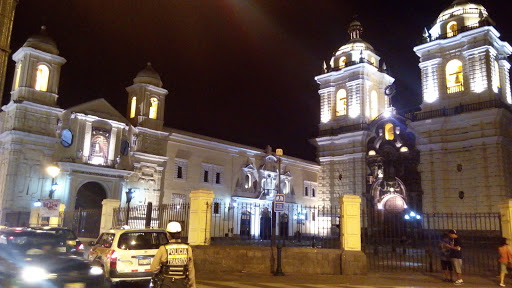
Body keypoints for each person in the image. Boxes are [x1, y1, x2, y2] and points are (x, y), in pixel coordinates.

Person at [151, 222, 195, 288]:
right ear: (180, 233)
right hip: (182, 283)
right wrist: (192, 285)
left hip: (167, 283)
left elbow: (154, 268)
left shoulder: (163, 248)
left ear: (168, 234)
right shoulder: (188, 248)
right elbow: (191, 270)